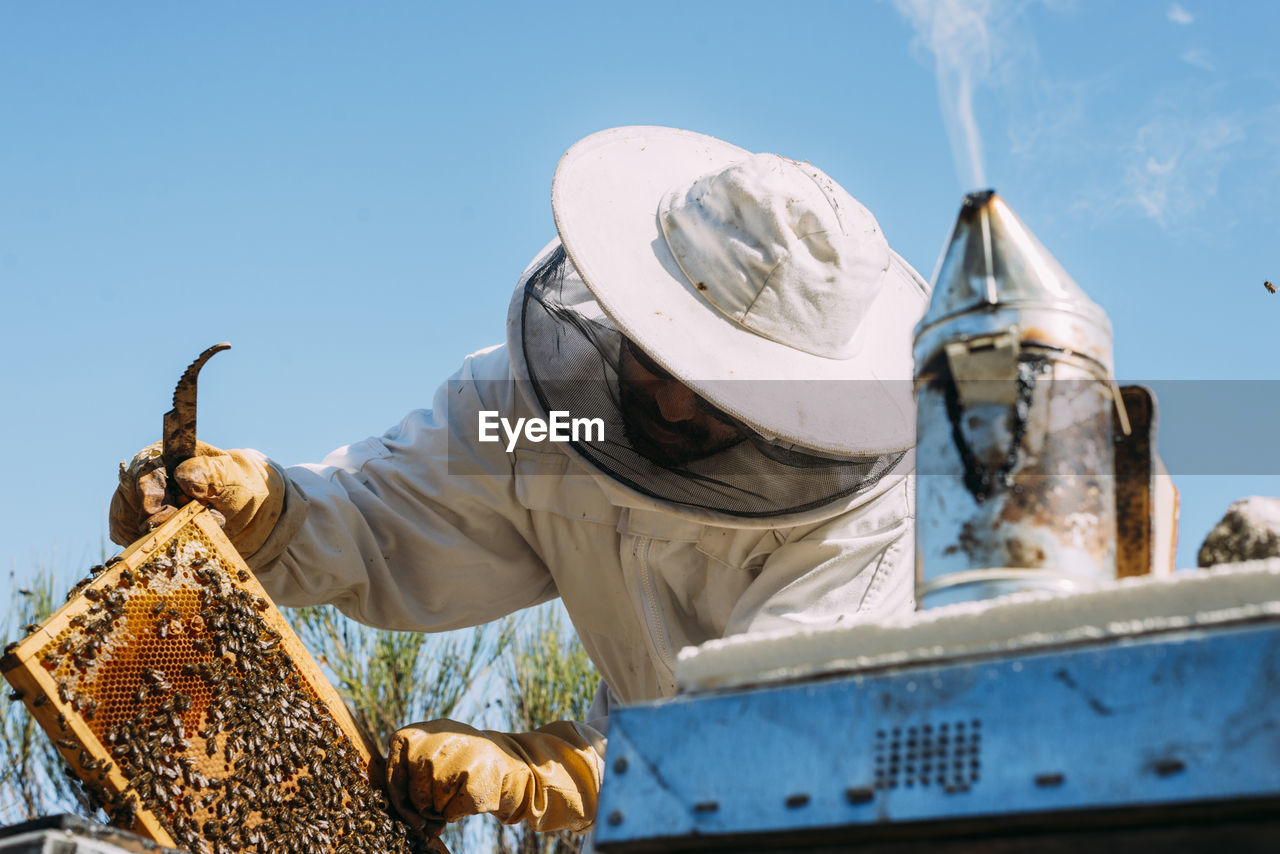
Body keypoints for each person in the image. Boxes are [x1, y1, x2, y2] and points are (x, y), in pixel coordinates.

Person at [110, 126, 929, 840]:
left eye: (723, 390)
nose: (676, 402)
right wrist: (267, 514)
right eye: (662, 353)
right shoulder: (544, 422)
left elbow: (774, 735)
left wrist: (558, 772)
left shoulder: (869, 518)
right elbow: (389, 517)